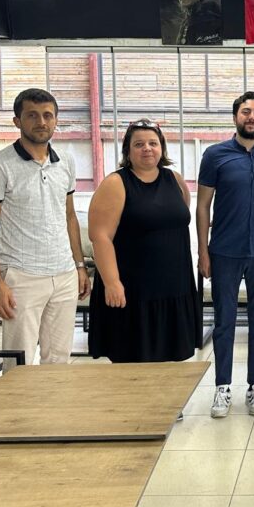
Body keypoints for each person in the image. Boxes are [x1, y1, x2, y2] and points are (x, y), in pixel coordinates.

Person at [0, 88, 90, 367]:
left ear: (56, 120)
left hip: (64, 274)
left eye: (47, 115)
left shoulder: (66, 161)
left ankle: (55, 401)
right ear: (17, 121)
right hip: (21, 276)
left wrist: (79, 266)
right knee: (20, 363)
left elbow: (69, 216)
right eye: (32, 115)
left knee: (59, 361)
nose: (41, 122)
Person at [197, 92, 254, 418]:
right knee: (225, 322)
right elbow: (202, 206)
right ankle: (222, 387)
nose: (252, 117)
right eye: (246, 112)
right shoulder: (215, 155)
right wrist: (202, 251)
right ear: (236, 116)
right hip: (224, 251)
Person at [87, 119, 201, 363]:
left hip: (174, 289)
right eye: (139, 144)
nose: (147, 148)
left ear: (162, 148)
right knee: (133, 365)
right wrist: (112, 282)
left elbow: (178, 221)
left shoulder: (175, 180)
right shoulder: (115, 183)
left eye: (153, 143)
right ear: (127, 151)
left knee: (172, 364)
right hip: (133, 292)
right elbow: (100, 237)